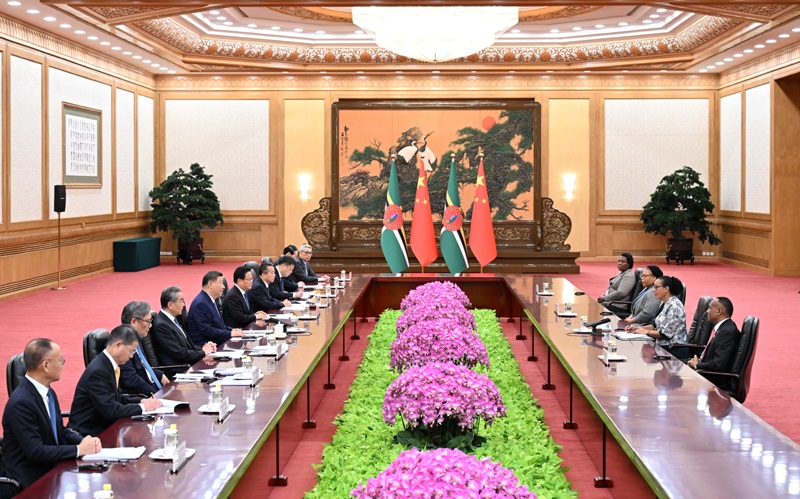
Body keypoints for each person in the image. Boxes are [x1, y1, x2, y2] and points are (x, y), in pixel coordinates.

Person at [0, 339, 101, 493]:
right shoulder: (21, 403)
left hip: (51, 468)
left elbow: (60, 431)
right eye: (60, 360)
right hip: (28, 481)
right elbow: (36, 452)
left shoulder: (48, 392)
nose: (62, 364)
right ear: (46, 365)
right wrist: (78, 449)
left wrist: (84, 441)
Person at [69, 325, 162, 436]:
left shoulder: (108, 364)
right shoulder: (98, 371)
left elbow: (117, 398)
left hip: (104, 426)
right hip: (88, 434)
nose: (131, 356)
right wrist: (143, 407)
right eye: (131, 351)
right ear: (118, 345)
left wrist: (141, 401)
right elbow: (111, 410)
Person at [151, 286, 216, 380]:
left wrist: (205, 347)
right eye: (181, 301)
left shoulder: (172, 319)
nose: (184, 304)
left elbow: (187, 346)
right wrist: (203, 352)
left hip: (187, 365)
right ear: (170, 305)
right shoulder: (162, 325)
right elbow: (179, 353)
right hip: (178, 370)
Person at [688, 297, 741, 394]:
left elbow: (718, 364)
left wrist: (697, 365)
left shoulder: (727, 332)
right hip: (706, 373)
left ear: (718, 311)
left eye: (710, 308)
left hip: (713, 380)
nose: (707, 311)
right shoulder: (724, 328)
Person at [119, 301, 169, 398]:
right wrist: (156, 394)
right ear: (134, 322)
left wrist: (159, 375)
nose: (150, 325)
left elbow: (142, 367)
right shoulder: (122, 345)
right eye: (148, 321)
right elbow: (131, 380)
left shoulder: (135, 338)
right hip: (143, 398)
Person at [633, 276, 689, 360]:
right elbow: (655, 325)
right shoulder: (664, 303)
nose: (653, 290)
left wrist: (646, 332)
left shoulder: (675, 307)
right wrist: (638, 328)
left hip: (673, 350)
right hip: (662, 348)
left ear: (666, 289)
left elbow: (665, 334)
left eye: (656, 287)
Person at [186, 271, 244, 346]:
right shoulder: (201, 303)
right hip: (206, 346)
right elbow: (207, 330)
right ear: (210, 284)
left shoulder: (211, 300)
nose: (224, 287)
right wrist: (230, 333)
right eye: (221, 283)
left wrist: (232, 330)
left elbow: (219, 326)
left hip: (216, 341)